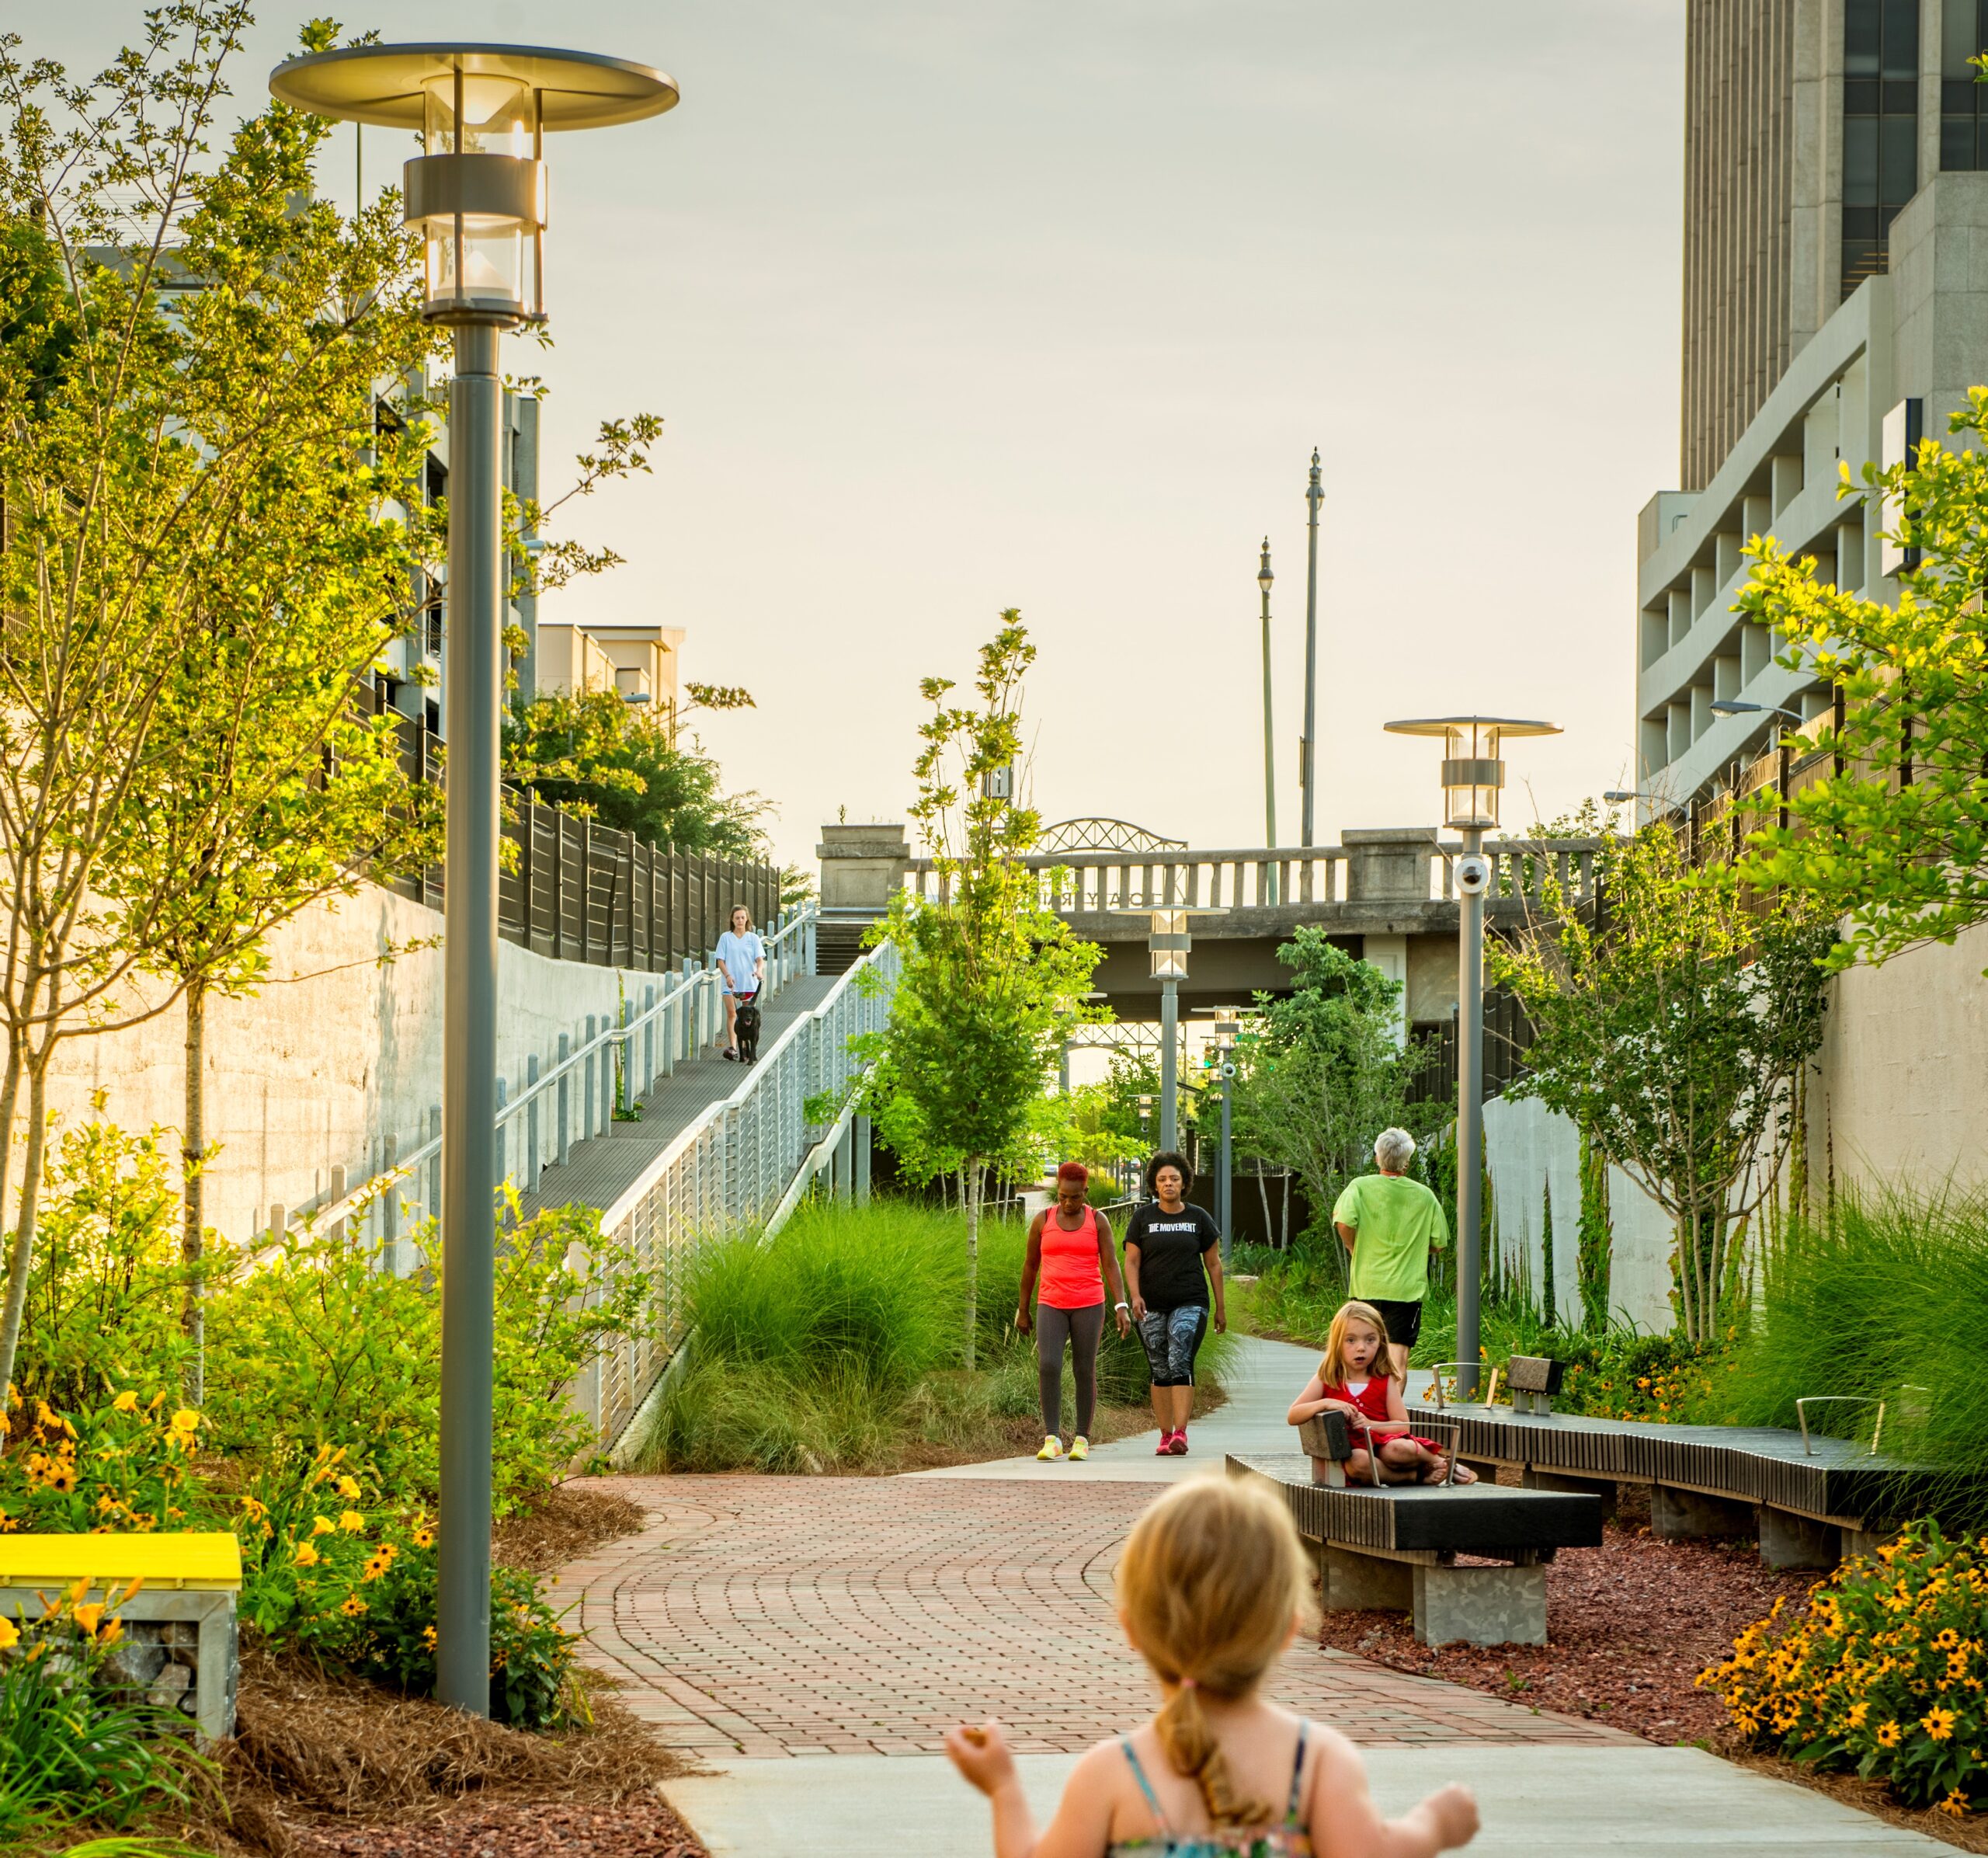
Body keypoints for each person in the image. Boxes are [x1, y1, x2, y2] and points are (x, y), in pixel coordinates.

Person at [945, 1477, 1480, 1858]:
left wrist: (1003, 1789)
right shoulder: (1315, 1763)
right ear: (1289, 1628)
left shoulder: (1109, 1775)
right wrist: (1433, 1825)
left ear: (1132, 1629)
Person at [1286, 1301, 1473, 1487]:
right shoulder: (1327, 1378)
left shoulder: (1384, 1380)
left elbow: (1402, 1426)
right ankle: (1414, 1477)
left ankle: (1442, 1463)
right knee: (1358, 1461)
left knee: (1397, 1449)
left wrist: (1370, 1424)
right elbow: (1293, 1415)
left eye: (1370, 1340)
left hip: (1385, 1444)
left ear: (1380, 1342)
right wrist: (1325, 1403)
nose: (1361, 1348)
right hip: (1356, 1454)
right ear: (1337, 1342)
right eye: (1351, 1340)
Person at [1017, 1162, 1133, 1463]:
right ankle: (1052, 1437)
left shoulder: (1098, 1221)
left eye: (1075, 1197)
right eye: (1063, 1196)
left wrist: (1121, 1304)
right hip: (1051, 1303)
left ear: (1086, 1192)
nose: (1068, 1203)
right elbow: (1030, 1266)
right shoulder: (1043, 1220)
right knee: (1049, 1365)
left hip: (1089, 1304)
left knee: (1084, 1369)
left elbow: (1111, 1264)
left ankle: (1082, 1438)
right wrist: (1023, 1309)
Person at [1123, 1151, 1225, 1458]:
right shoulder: (1143, 1218)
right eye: (1163, 1179)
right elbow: (1131, 1261)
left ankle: (1181, 1432)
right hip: (1150, 1304)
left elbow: (1214, 1265)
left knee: (1179, 1357)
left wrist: (1221, 1308)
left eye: (1175, 1179)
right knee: (1159, 1368)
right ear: (1154, 1185)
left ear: (1184, 1183)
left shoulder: (1198, 1218)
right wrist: (1135, 1295)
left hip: (1190, 1301)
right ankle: (1165, 1434)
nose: (1169, 1184)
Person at [1332, 1128, 1449, 1380]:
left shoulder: (1359, 1188)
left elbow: (1343, 1223)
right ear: (1406, 1163)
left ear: (1377, 1157)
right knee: (1398, 1361)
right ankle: (1392, 1418)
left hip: (1366, 1285)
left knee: (1359, 1354)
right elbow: (1439, 1244)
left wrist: (1354, 1247)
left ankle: (1364, 1413)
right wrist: (1415, 1246)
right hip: (1406, 1291)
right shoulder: (1425, 1196)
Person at [712, 905, 766, 1061]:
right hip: (730, 982)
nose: (740, 920)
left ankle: (745, 1048)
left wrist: (759, 970)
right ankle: (733, 1047)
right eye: (737, 918)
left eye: (743, 917)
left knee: (746, 1016)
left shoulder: (753, 938)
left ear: (747, 919)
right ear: (732, 920)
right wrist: (727, 975)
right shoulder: (726, 938)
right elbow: (720, 960)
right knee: (732, 1013)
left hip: (749, 982)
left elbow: (759, 959)